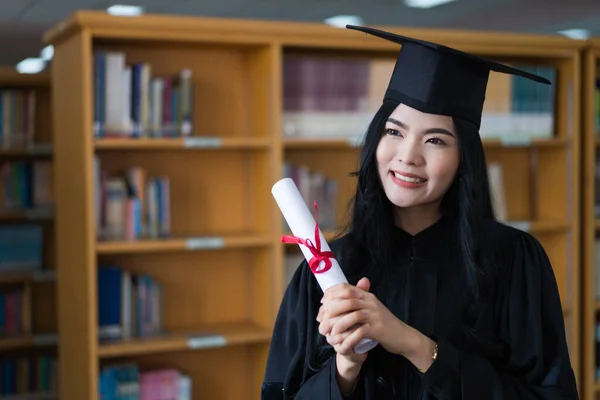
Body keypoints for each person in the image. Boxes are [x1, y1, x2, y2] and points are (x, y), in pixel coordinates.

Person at [261, 24, 578, 399]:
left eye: (435, 140)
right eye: (394, 132)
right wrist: (346, 365)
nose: (408, 156)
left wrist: (415, 345)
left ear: (464, 160)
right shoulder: (329, 270)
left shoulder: (513, 261)